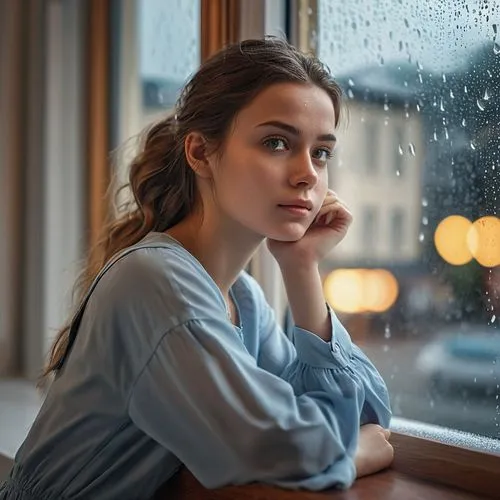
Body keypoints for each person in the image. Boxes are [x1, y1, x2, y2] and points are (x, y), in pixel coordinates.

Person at [0, 37, 393, 499]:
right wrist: (355, 455)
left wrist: (302, 268)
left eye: (321, 151)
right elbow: (278, 447)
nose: (307, 173)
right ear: (200, 154)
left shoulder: (243, 299)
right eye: (276, 142)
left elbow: (368, 416)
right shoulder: (155, 282)